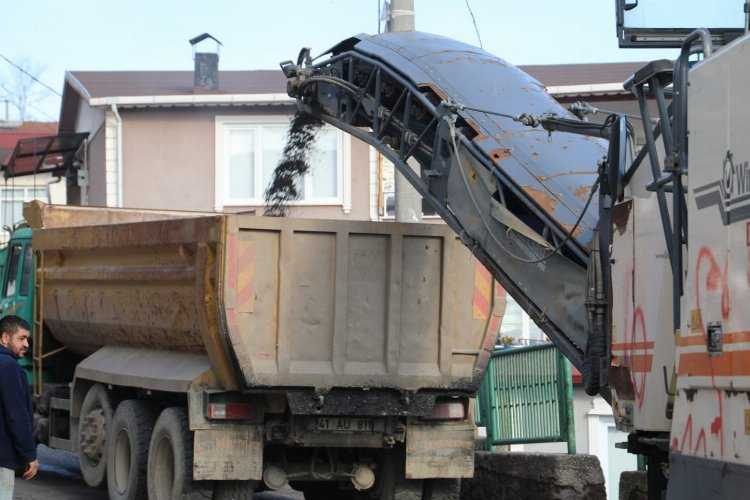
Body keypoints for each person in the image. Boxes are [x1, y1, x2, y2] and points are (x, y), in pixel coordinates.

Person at [0, 315, 38, 499]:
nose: (26, 345)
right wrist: (29, 454)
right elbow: (16, 415)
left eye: (27, 340)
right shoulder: (9, 367)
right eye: (21, 338)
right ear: (5, 338)